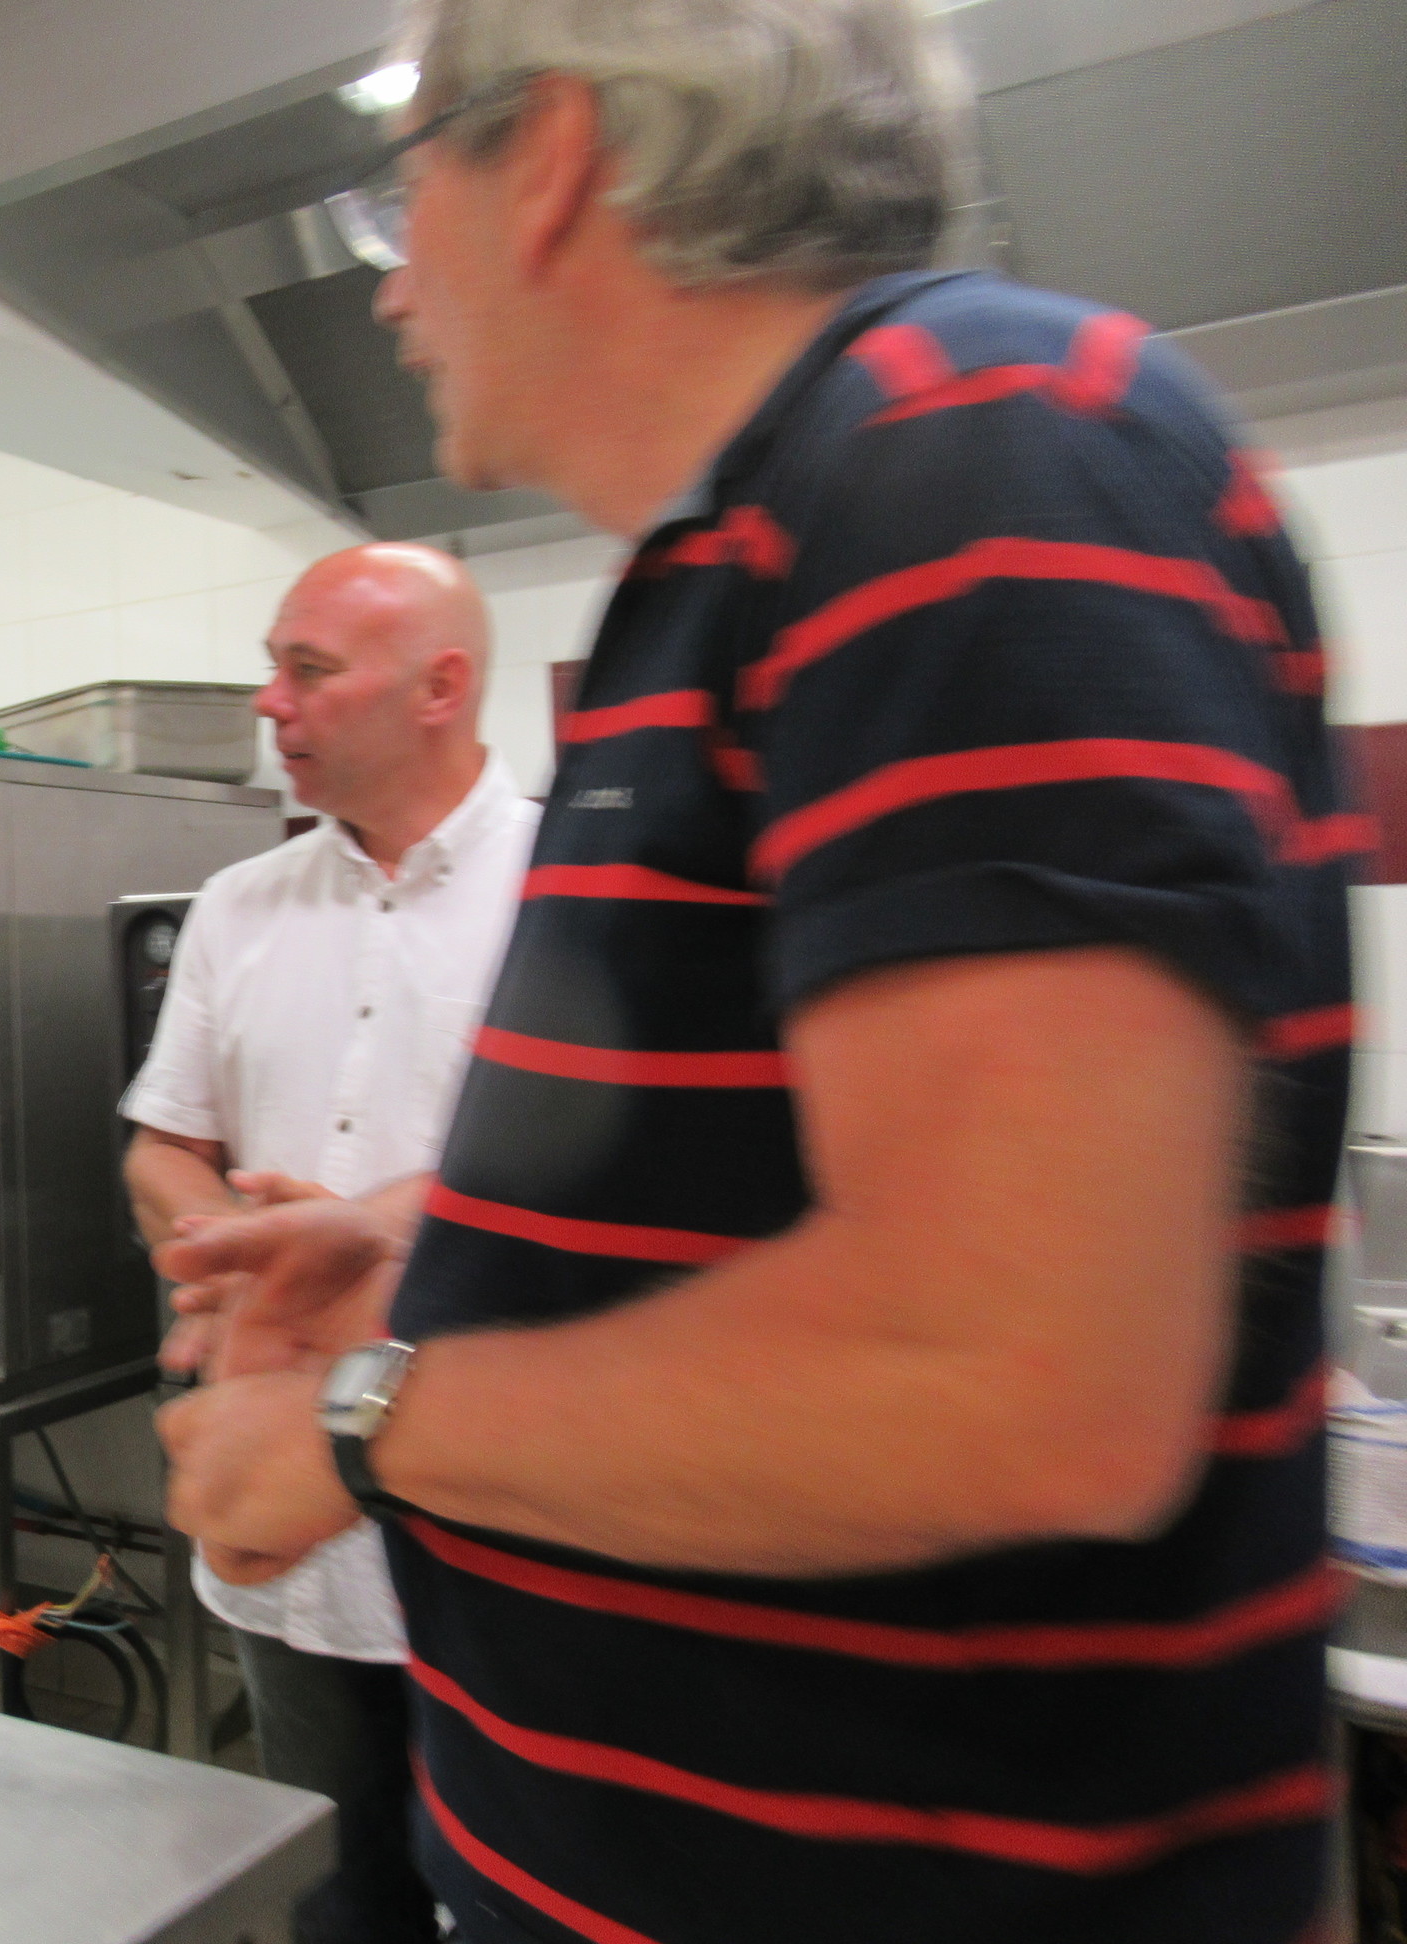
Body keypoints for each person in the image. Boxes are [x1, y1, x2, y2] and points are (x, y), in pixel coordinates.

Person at [156, 6, 1354, 1942]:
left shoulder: (978, 438)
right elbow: (779, 1200)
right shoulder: (738, 558)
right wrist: (432, 1247)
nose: (387, 289)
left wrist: (370, 1419)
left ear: (550, 155)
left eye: (404, 198)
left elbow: (1021, 1377)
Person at [123, 543, 536, 1944]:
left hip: (503, 1503)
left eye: (307, 670)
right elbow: (160, 1147)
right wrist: (244, 1250)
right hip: (286, 1509)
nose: (268, 701)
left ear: (440, 687)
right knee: (334, 1899)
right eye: (271, 668)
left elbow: (590, 1175)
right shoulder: (240, 905)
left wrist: (359, 1234)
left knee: (524, 1894)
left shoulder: (570, 884)